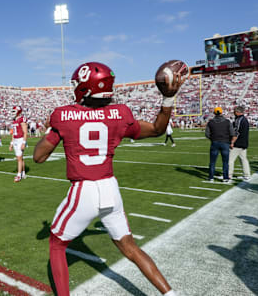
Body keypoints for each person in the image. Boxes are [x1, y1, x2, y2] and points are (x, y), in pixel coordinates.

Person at [33, 61, 179, 296]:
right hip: (110, 188)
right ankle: (171, 294)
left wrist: (53, 131)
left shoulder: (63, 115)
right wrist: (168, 99)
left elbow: (38, 157)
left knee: (57, 245)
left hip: (84, 190)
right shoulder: (120, 114)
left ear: (84, 88)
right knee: (130, 248)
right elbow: (157, 129)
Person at [206, 106, 235, 183]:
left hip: (214, 143)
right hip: (225, 143)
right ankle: (225, 178)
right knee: (225, 162)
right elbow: (232, 133)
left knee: (212, 162)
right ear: (222, 113)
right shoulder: (227, 122)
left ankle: (211, 177)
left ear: (214, 113)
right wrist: (229, 140)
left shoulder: (211, 122)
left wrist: (213, 139)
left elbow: (207, 134)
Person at [228, 106, 251, 181]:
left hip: (237, 143)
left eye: (234, 111)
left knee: (230, 160)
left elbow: (236, 133)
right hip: (244, 143)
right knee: (243, 159)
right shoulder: (244, 119)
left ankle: (229, 175)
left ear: (238, 112)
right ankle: (246, 174)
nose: (234, 113)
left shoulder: (239, 120)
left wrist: (232, 142)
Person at [10, 106, 28, 182]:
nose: (12, 113)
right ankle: (23, 172)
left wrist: (23, 143)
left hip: (20, 140)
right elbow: (13, 133)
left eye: (14, 111)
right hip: (16, 140)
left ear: (18, 111)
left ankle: (18, 175)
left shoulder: (22, 120)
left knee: (19, 158)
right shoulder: (14, 121)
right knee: (20, 158)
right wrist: (11, 143)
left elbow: (25, 132)